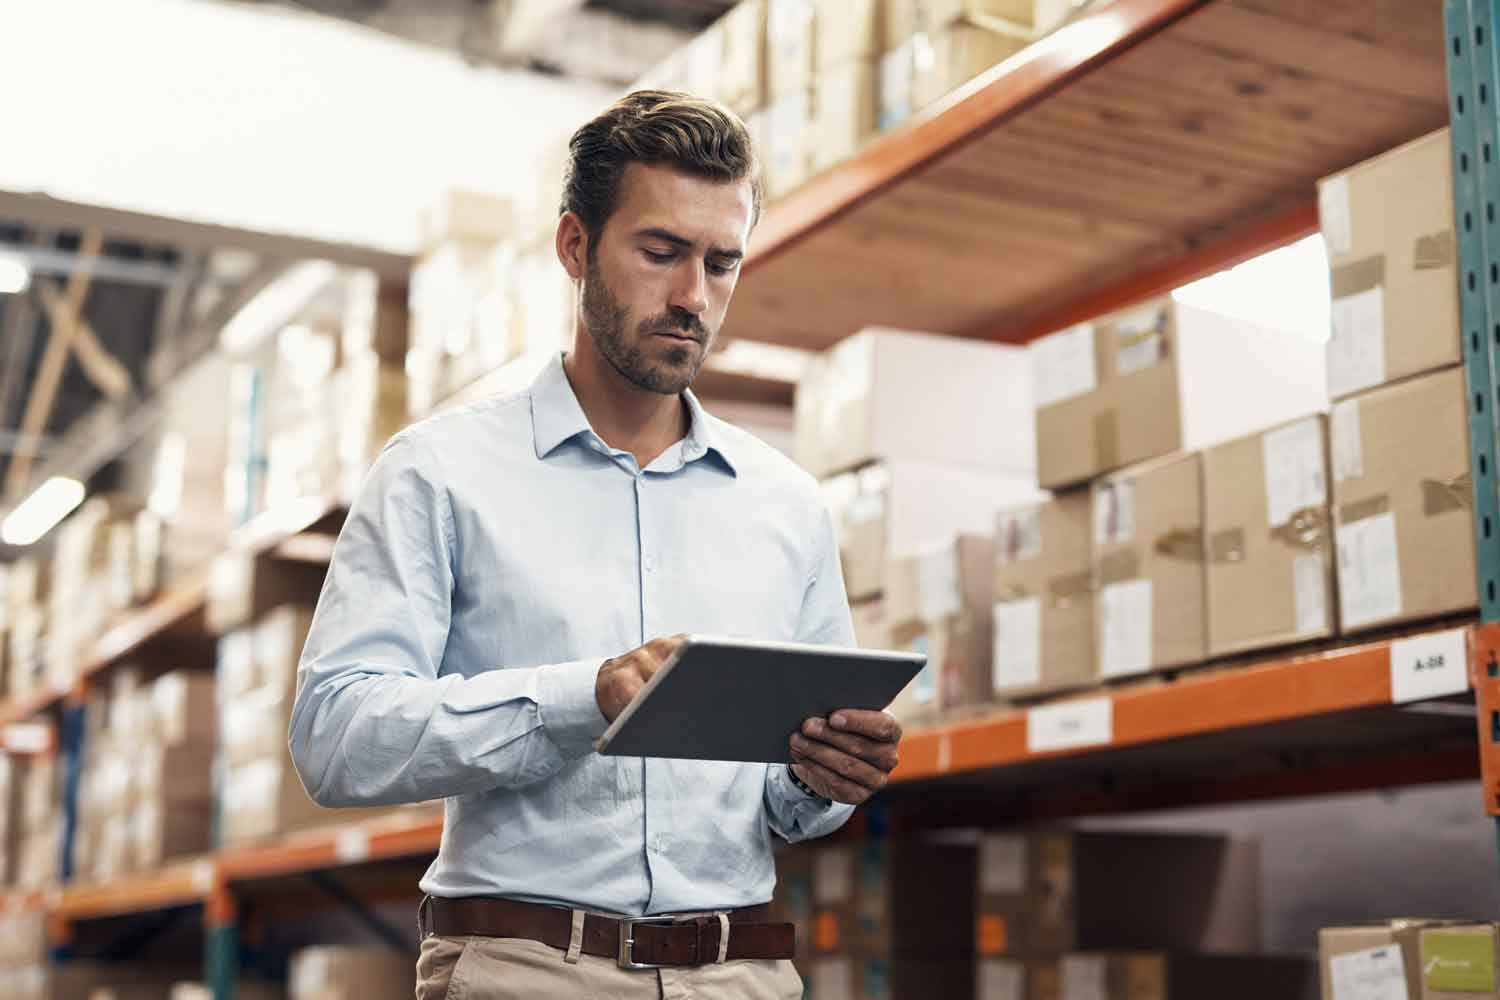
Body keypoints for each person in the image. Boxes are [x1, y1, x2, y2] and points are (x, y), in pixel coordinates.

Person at [288, 90, 903, 999]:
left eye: (722, 263)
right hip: (526, 970)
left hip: (741, 975)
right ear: (575, 247)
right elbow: (335, 739)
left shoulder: (788, 505)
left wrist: (824, 778)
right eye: (661, 252)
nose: (693, 296)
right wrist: (583, 698)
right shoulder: (440, 472)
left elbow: (781, 808)